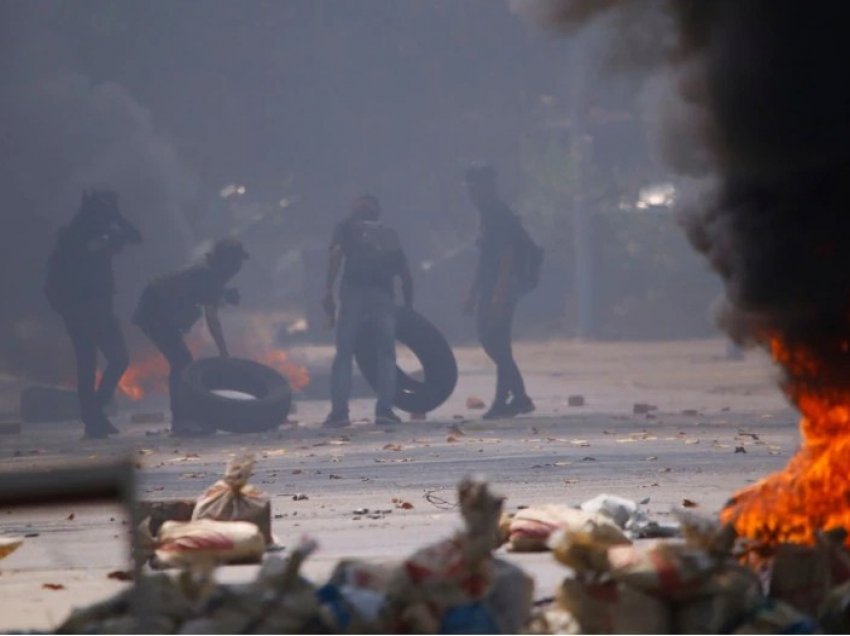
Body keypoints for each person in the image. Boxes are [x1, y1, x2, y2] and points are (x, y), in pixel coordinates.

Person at [44, 189, 142, 438]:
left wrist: (117, 216)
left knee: (115, 360)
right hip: (82, 310)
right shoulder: (73, 237)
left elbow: (135, 237)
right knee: (91, 363)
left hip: (99, 308)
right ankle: (93, 417)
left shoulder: (99, 233)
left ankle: (94, 414)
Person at [133, 237, 248, 436]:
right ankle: (181, 421)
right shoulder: (209, 276)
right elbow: (212, 319)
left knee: (182, 363)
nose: (237, 269)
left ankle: (185, 418)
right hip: (154, 312)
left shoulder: (208, 274)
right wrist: (223, 352)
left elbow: (196, 293)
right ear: (226, 262)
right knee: (182, 363)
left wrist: (223, 294)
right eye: (235, 263)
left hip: (158, 311)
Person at [323, 195, 413, 427]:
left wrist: (328, 290)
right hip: (381, 294)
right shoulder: (388, 234)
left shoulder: (344, 228)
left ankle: (339, 413)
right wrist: (409, 307)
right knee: (385, 352)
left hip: (353, 292)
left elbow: (334, 257)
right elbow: (405, 272)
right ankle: (384, 410)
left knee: (344, 353)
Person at [463, 163, 536, 419]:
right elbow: (484, 260)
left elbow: (506, 257)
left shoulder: (498, 214)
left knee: (495, 341)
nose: (471, 196)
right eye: (469, 191)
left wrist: (498, 295)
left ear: (487, 188)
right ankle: (515, 398)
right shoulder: (486, 214)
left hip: (502, 286)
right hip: (491, 285)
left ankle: (511, 399)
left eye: (475, 190)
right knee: (495, 343)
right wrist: (474, 292)